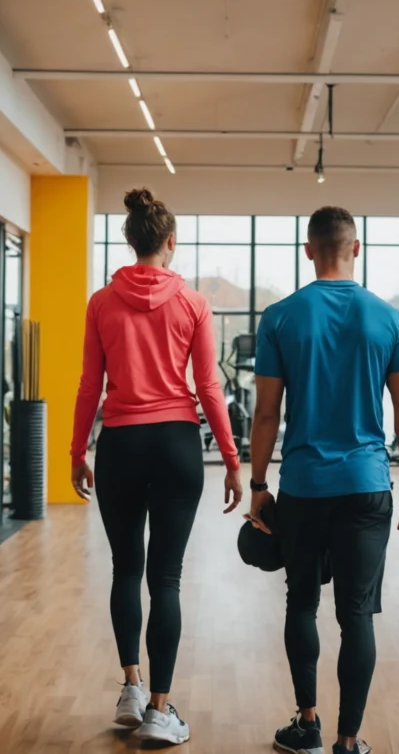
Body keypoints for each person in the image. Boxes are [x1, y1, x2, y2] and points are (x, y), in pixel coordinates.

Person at [248, 206, 399, 754]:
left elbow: (265, 415)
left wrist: (259, 485)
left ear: (308, 250)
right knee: (356, 613)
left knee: (300, 602)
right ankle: (348, 742)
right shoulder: (387, 319)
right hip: (366, 486)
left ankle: (307, 724)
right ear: (357, 247)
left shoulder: (280, 317)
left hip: (303, 486)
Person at [69, 187, 243, 746]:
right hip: (175, 444)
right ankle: (162, 712)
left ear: (130, 240)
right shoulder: (192, 302)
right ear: (170, 242)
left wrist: (77, 452)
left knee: (125, 569)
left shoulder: (101, 301)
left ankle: (131, 687)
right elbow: (209, 388)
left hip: (119, 443)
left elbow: (89, 386)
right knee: (165, 578)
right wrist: (233, 460)